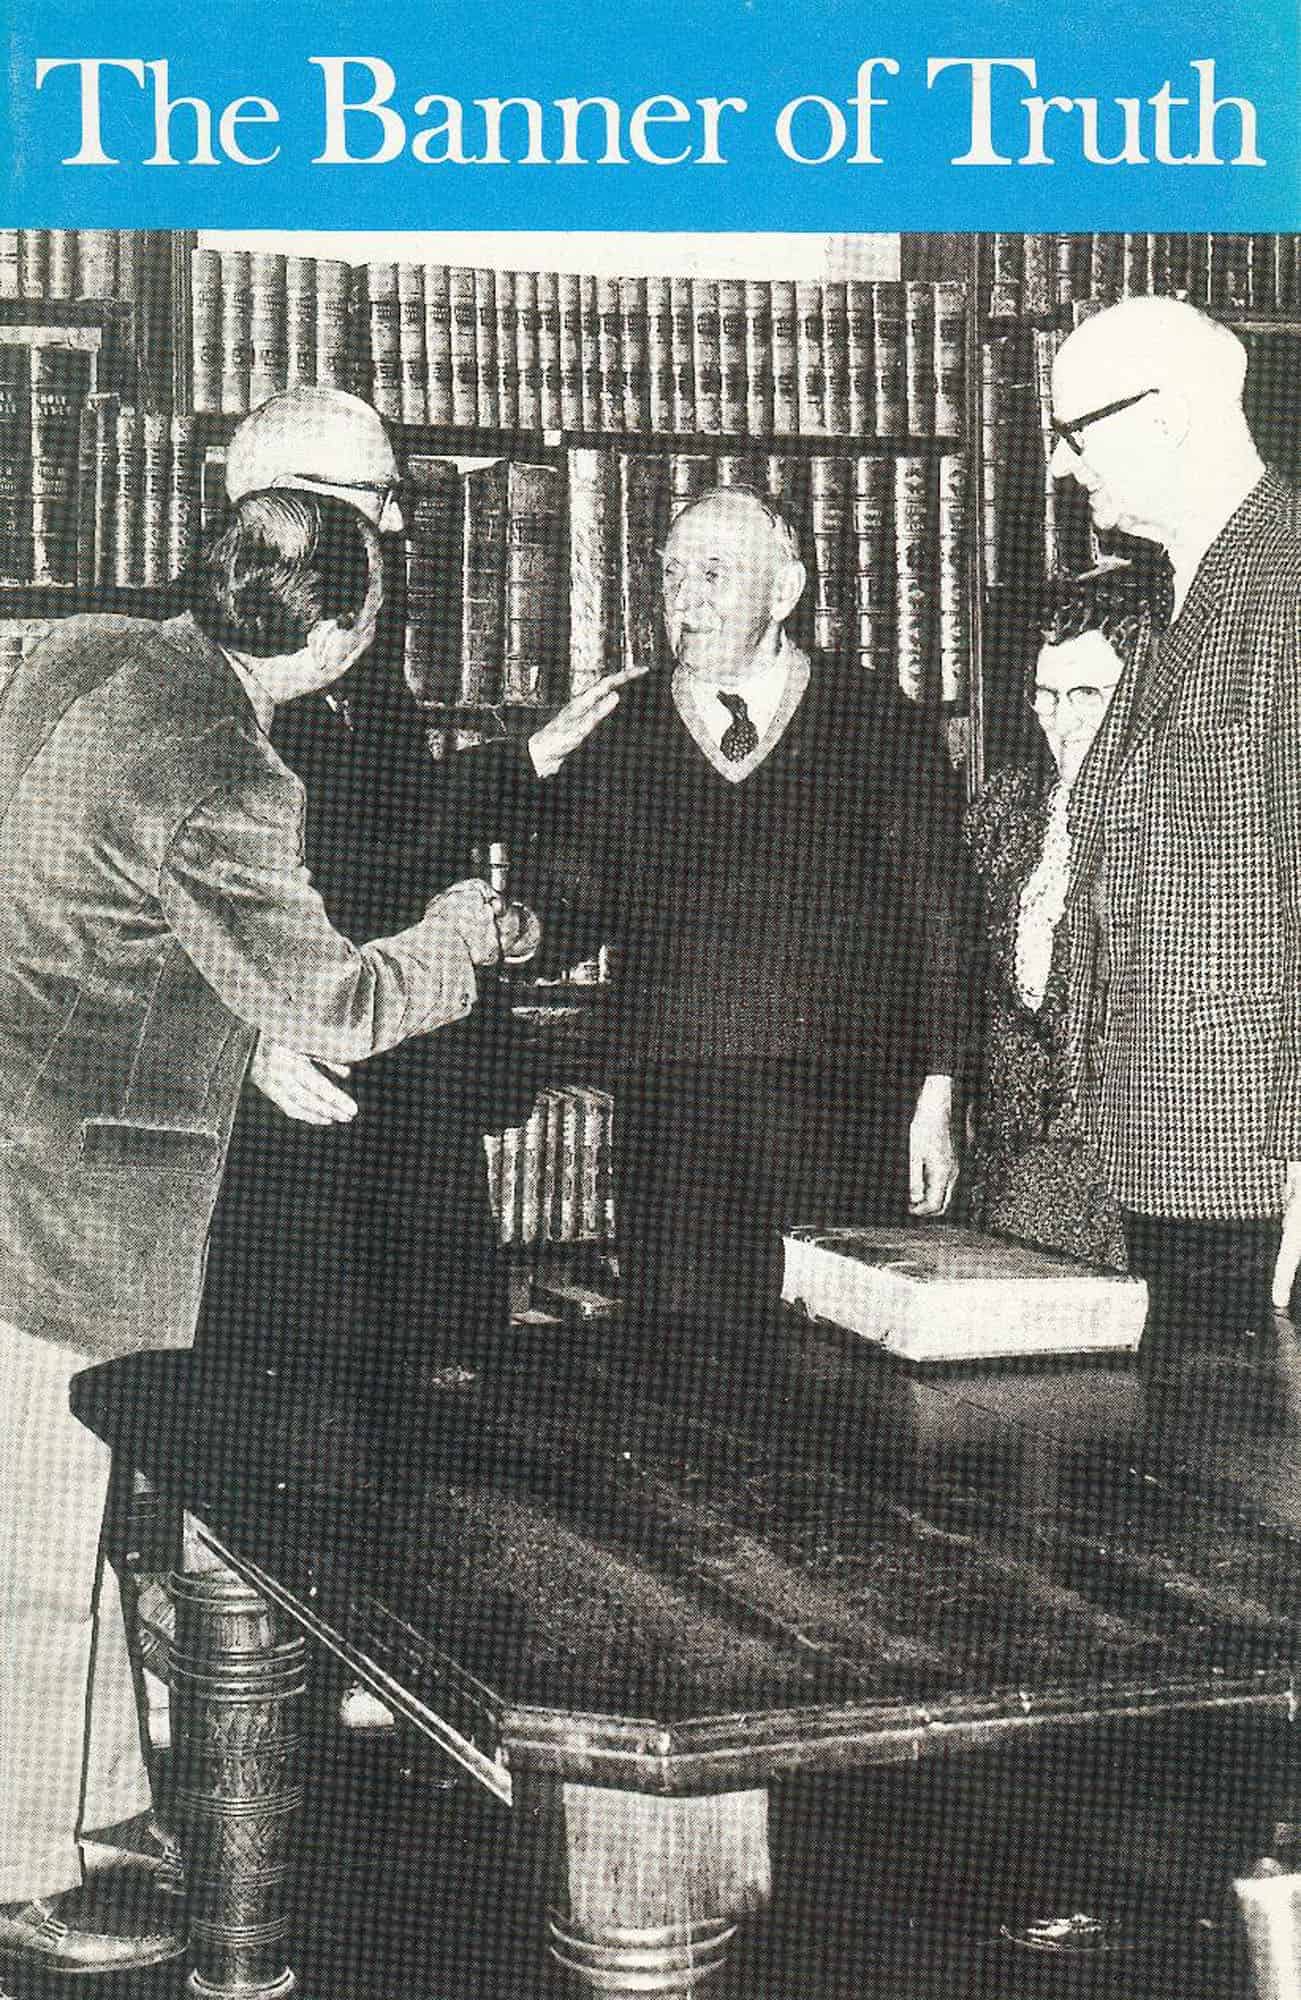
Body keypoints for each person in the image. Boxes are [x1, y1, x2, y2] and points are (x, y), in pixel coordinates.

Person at [0, 490, 529, 1978]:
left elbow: (81, 896)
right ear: (340, 635)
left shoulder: (75, 649)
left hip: (17, 1129)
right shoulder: (232, 772)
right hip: (66, 1196)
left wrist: (226, 1033)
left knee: (57, 1521)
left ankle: (91, 1805)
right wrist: (461, 933)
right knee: (35, 1542)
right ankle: (21, 1869)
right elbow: (340, 1004)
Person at [201, 387, 633, 1405]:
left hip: (402, 1076)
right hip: (288, 1101)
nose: (397, 523)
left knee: (431, 1384)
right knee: (291, 1392)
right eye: (379, 495)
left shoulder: (355, 638)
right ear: (280, 496)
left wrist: (522, 766)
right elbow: (150, 898)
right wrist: (235, 1038)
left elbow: (383, 835)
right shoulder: (203, 668)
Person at [466, 484, 966, 1334]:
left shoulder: (877, 717)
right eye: (670, 576)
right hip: (677, 1105)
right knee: (683, 1347)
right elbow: (575, 888)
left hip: (843, 1100)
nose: (683, 600)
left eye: (712, 574)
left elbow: (940, 921)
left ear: (784, 590)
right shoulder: (620, 725)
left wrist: (939, 1094)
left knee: (835, 1354)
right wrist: (526, 929)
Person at [1049, 296, 1301, 1358]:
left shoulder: (1287, 585)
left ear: (1163, 416)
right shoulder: (1172, 605)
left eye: (1074, 432)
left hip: (1251, 1169)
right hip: (1158, 1150)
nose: (1060, 465)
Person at [963, 572, 1145, 1269]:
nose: (1058, 721)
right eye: (1044, 695)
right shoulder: (1004, 811)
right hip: (1004, 1177)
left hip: (1120, 1184)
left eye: (1086, 697)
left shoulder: (1169, 827)